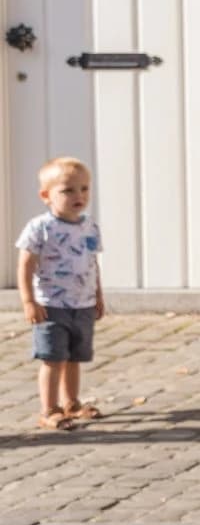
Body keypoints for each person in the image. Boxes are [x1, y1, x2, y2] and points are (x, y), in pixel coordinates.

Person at [17, 155, 105, 431]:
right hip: (51, 305)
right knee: (53, 358)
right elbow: (25, 264)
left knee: (74, 358)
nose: (78, 195)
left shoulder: (90, 226)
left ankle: (72, 403)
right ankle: (49, 408)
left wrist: (98, 296)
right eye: (67, 190)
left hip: (82, 304)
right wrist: (29, 300)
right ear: (46, 195)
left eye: (84, 189)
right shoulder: (40, 228)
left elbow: (93, 264)